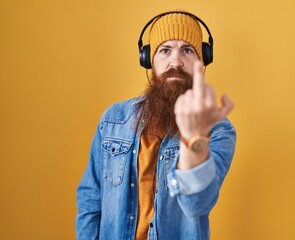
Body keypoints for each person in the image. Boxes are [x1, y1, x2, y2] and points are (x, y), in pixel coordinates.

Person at [76, 10, 236, 240]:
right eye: (165, 50)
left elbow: (197, 204)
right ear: (148, 60)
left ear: (202, 62)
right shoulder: (113, 119)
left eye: (187, 50)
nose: (176, 61)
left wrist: (194, 139)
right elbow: (91, 198)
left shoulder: (218, 129)